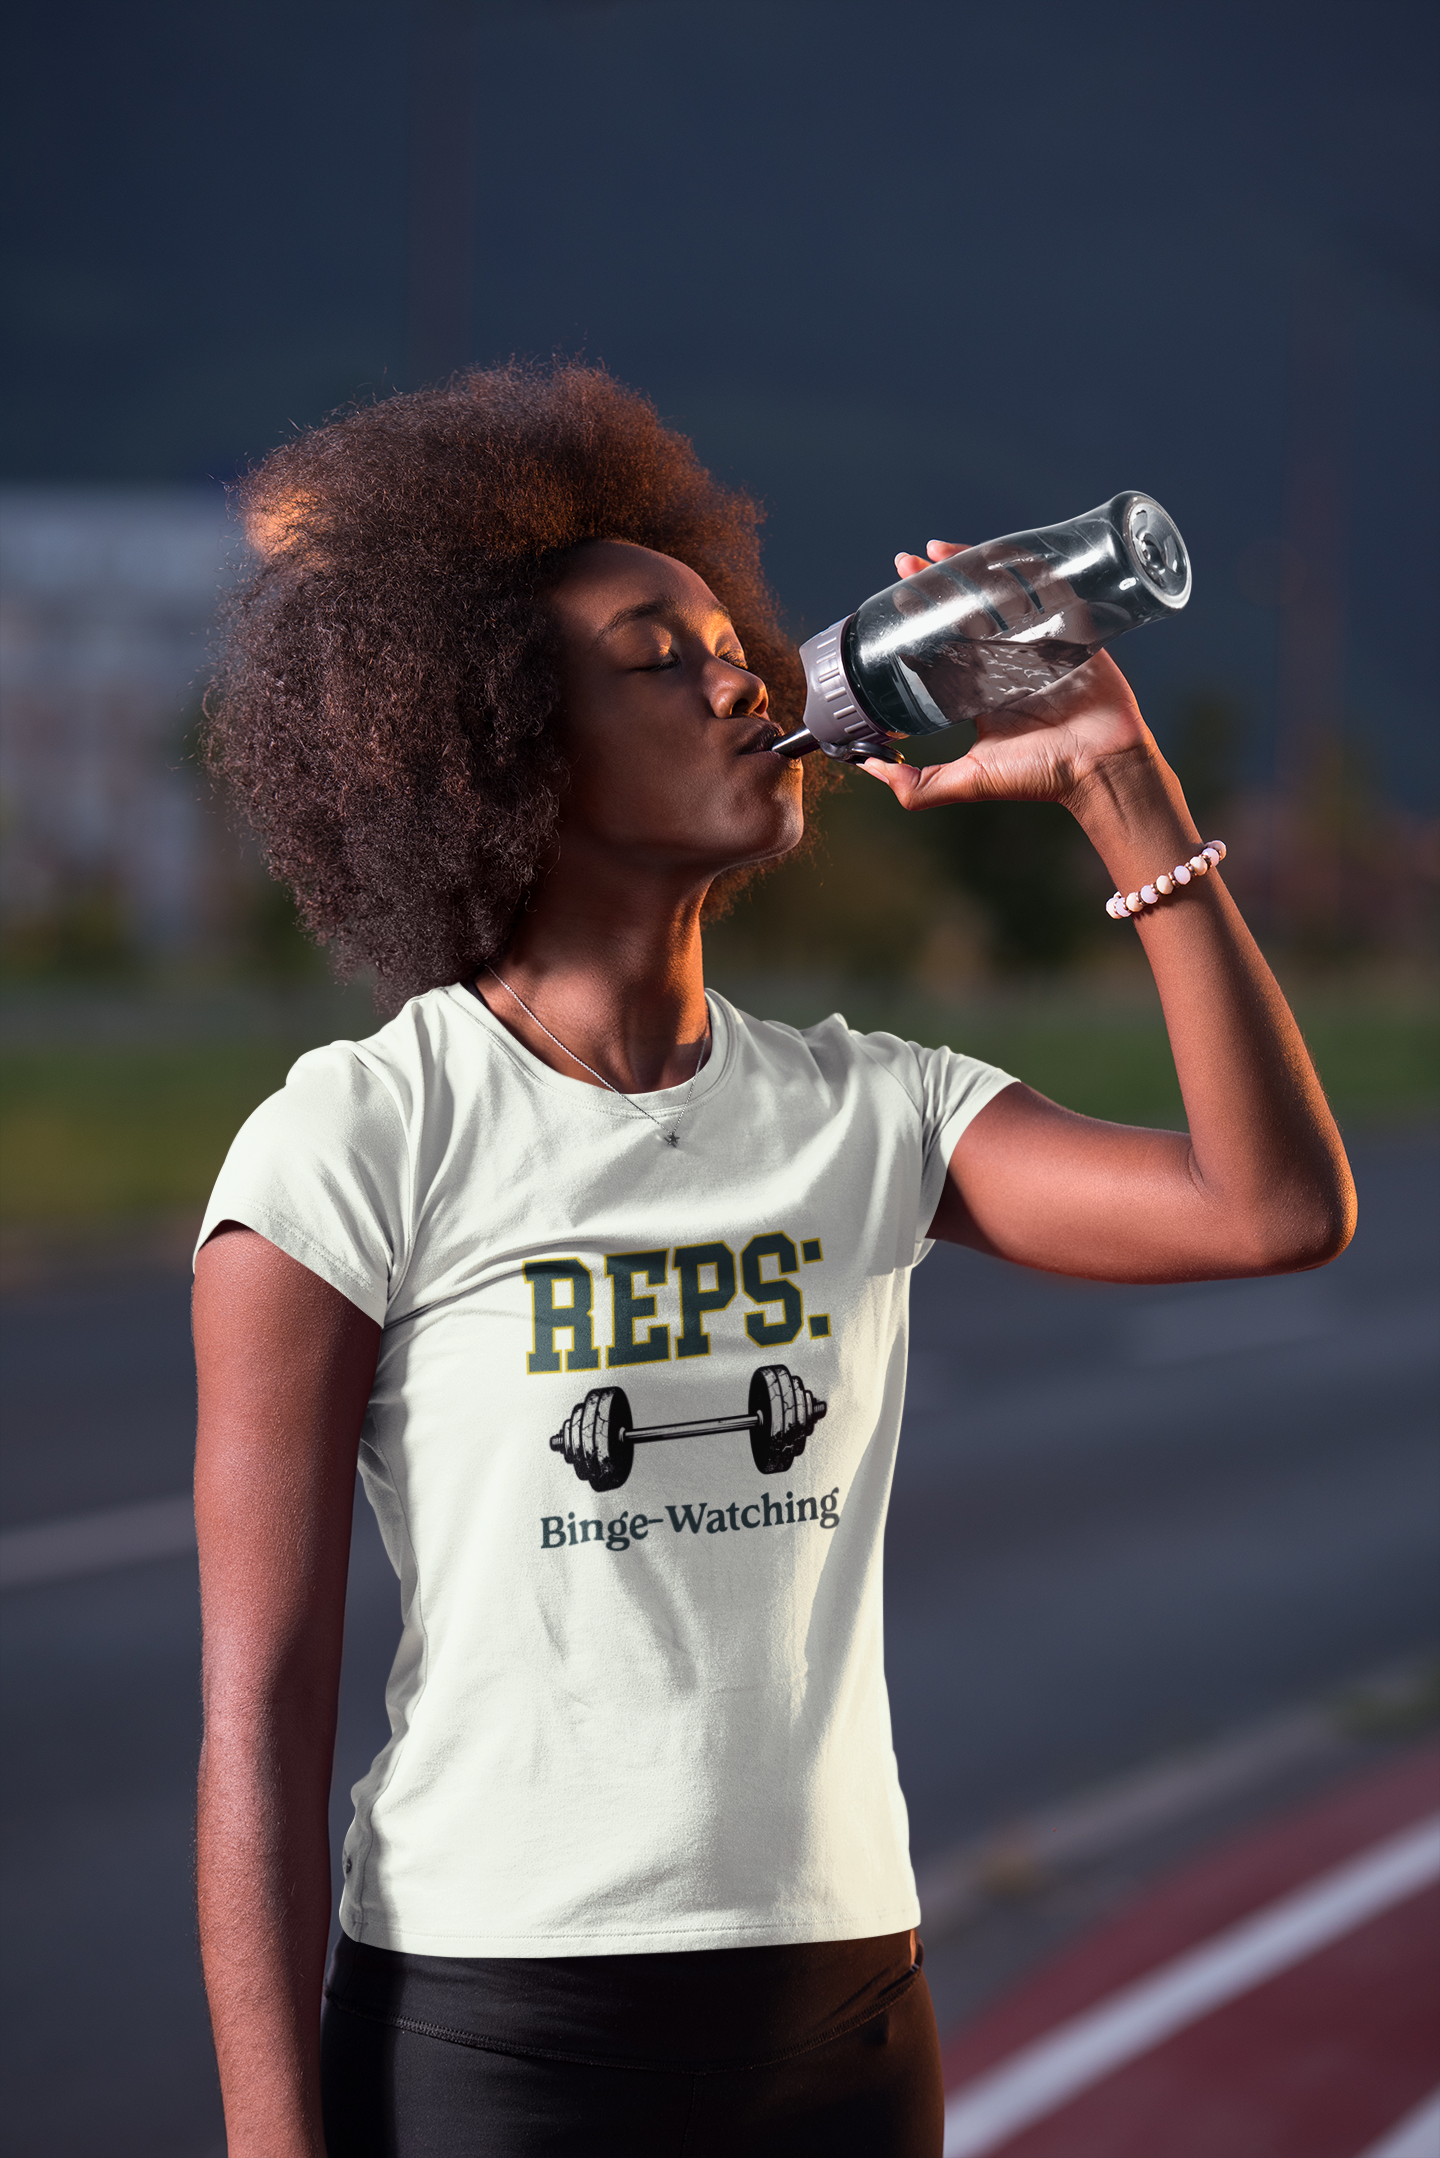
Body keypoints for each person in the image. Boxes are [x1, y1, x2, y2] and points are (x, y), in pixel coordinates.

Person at [192, 362, 1354, 2158]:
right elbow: (260, 1714)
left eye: (728, 635)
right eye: (655, 659)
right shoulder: (360, 1139)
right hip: (500, 2027)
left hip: (842, 2011)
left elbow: (1271, 1211)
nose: (744, 671)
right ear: (506, 741)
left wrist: (1123, 784)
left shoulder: (871, 1110)